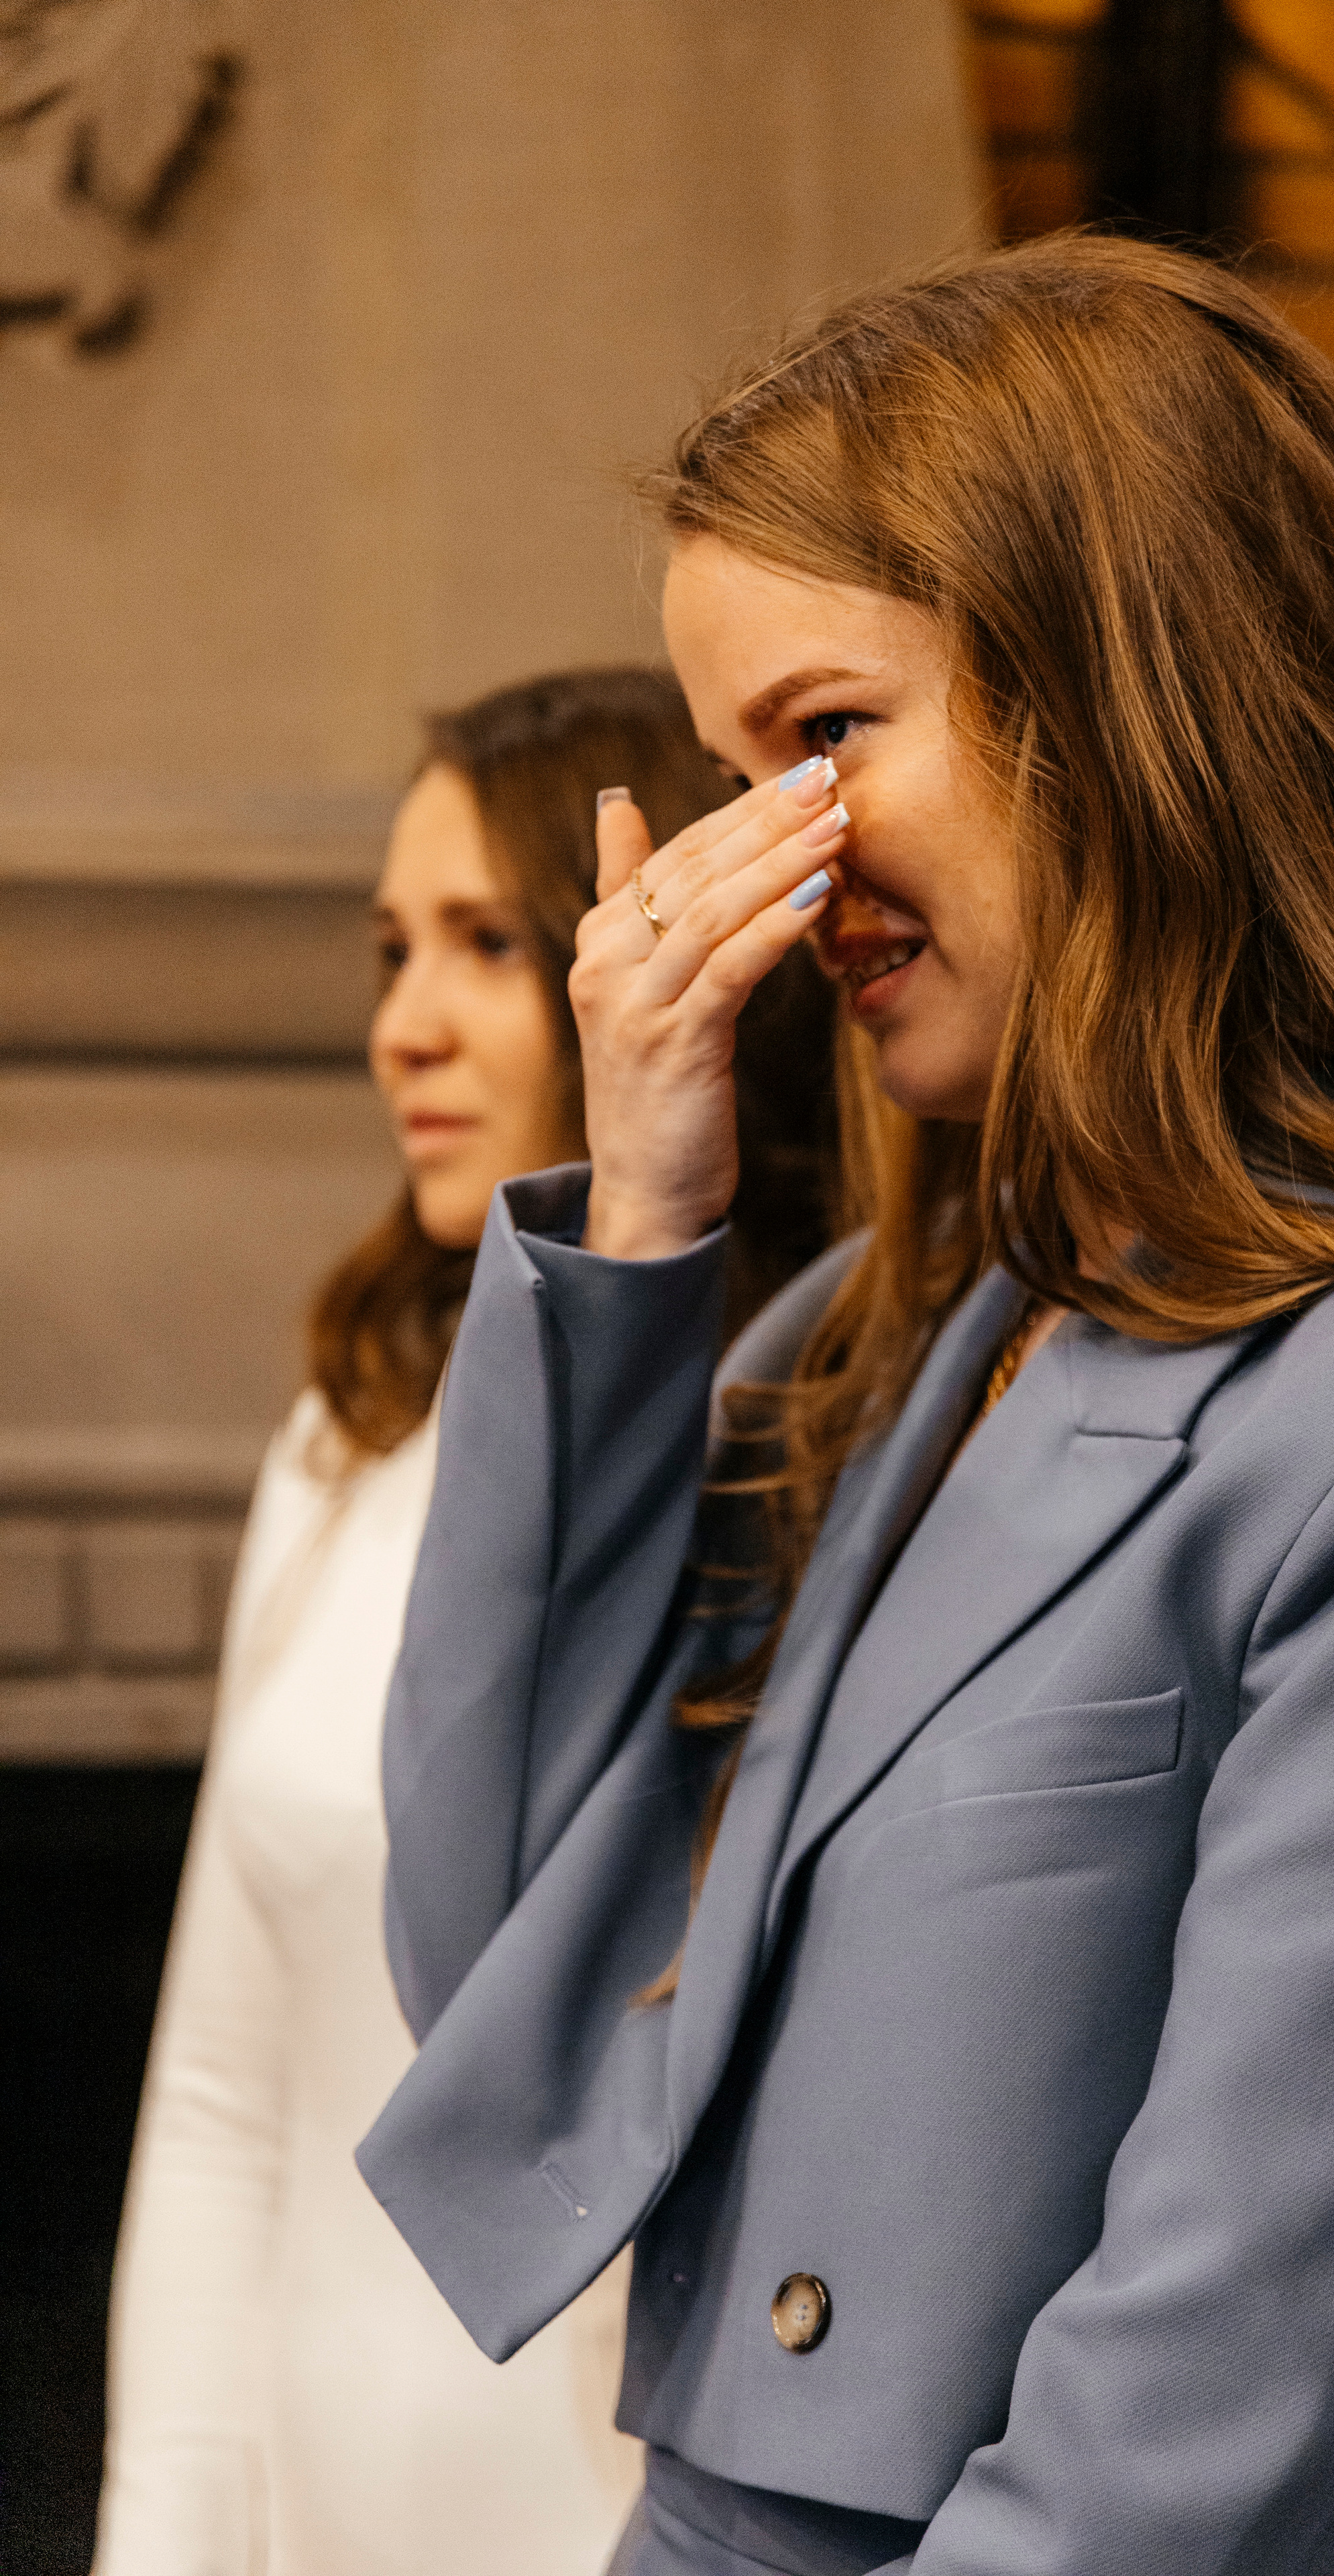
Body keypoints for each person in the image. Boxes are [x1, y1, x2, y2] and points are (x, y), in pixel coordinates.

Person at [357, 239, 1334, 2576]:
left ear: (1139, 695)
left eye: (823, 738)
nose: (755, 872)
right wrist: (637, 1246)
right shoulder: (924, 1324)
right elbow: (491, 1963)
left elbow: (1207, 2454)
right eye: (726, 775)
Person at [91, 668, 836, 2576]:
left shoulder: (810, 1454)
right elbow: (219, 2097)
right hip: (308, 2504)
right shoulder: (341, 1439)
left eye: (488, 945)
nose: (403, 1026)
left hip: (615, 2512)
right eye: (386, 953)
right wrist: (165, 2533)